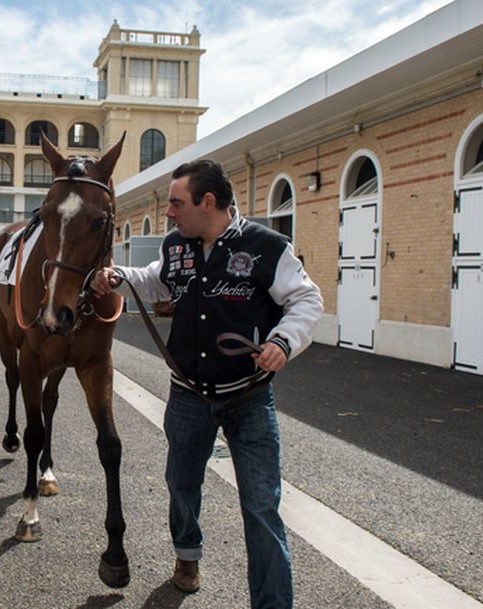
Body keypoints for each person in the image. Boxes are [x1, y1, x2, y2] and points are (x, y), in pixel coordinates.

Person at [90, 159, 322, 607]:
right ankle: (187, 554)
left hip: (250, 399)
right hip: (188, 397)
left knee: (261, 509)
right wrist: (120, 277)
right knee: (181, 483)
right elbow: (158, 281)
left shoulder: (267, 247)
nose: (169, 214)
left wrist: (284, 341)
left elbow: (306, 299)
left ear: (208, 202)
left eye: (177, 204)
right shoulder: (177, 244)